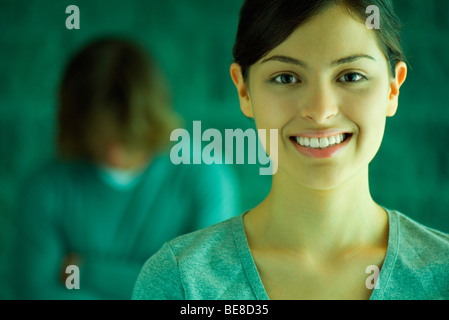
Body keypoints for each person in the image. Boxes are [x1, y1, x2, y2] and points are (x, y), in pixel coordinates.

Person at [132, 0, 449, 300]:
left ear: (393, 88)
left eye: (351, 76)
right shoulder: (182, 280)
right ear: (243, 89)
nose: (320, 111)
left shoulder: (443, 275)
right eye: (286, 78)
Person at [12, 37, 240, 300]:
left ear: (151, 120)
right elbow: (35, 293)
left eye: (127, 136)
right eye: (98, 135)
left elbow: (206, 293)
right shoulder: (46, 189)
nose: (113, 151)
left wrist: (87, 271)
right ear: (78, 125)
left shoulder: (204, 176)